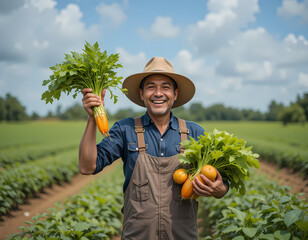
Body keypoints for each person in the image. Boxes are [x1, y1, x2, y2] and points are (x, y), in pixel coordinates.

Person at [79, 57, 228, 239]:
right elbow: (88, 167)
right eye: (151, 87)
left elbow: (222, 183)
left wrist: (219, 189)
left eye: (165, 87)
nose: (158, 93)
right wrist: (92, 117)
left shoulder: (194, 132)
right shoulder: (125, 129)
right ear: (142, 94)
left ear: (175, 93)